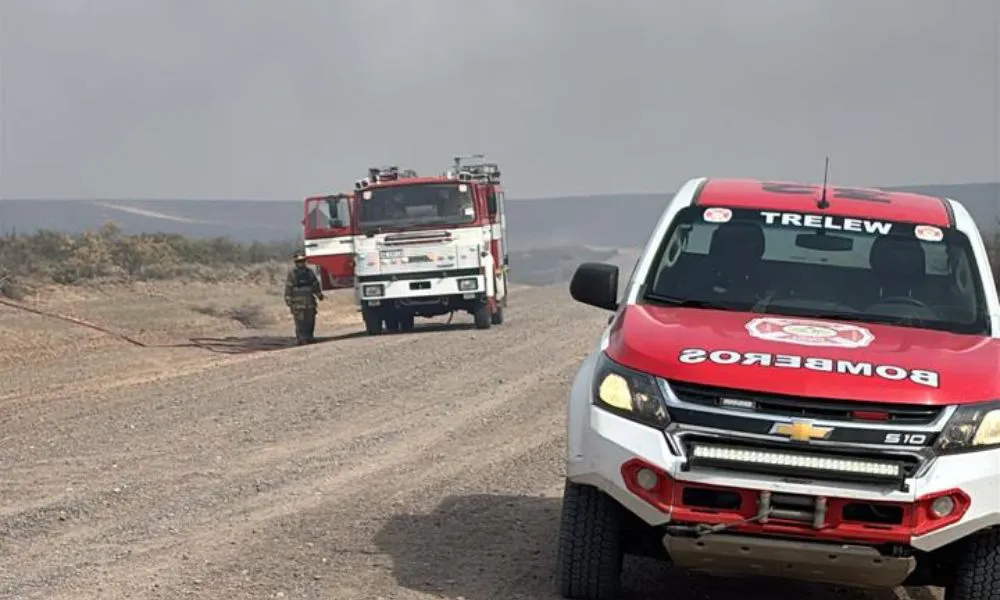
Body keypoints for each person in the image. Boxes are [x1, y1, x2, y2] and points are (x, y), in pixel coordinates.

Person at [284, 251, 324, 344]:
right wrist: (288, 300)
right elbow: (288, 288)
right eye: (299, 261)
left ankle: (309, 337)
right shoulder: (292, 274)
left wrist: (319, 295)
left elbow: (315, 285)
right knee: (300, 322)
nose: (301, 263)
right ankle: (301, 338)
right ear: (296, 262)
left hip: (310, 302)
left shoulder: (310, 273)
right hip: (298, 304)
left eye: (302, 261)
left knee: (310, 321)